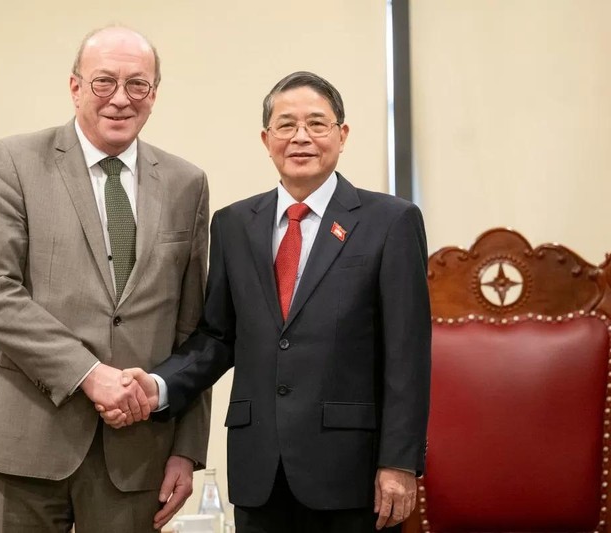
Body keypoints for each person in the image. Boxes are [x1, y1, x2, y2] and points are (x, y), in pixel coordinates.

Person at [100, 71, 431, 533]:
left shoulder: (390, 222)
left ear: (342, 135)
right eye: (286, 125)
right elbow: (217, 336)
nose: (301, 137)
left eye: (317, 124)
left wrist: (399, 462)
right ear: (266, 138)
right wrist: (158, 387)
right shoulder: (235, 224)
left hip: (352, 471)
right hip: (260, 468)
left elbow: (407, 354)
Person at [0, 26, 211, 533]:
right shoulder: (14, 161)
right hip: (25, 441)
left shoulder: (188, 184)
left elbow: (194, 329)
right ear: (74, 87)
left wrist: (187, 449)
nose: (120, 99)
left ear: (154, 95)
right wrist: (89, 373)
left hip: (138, 453)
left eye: (137, 85)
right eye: (104, 82)